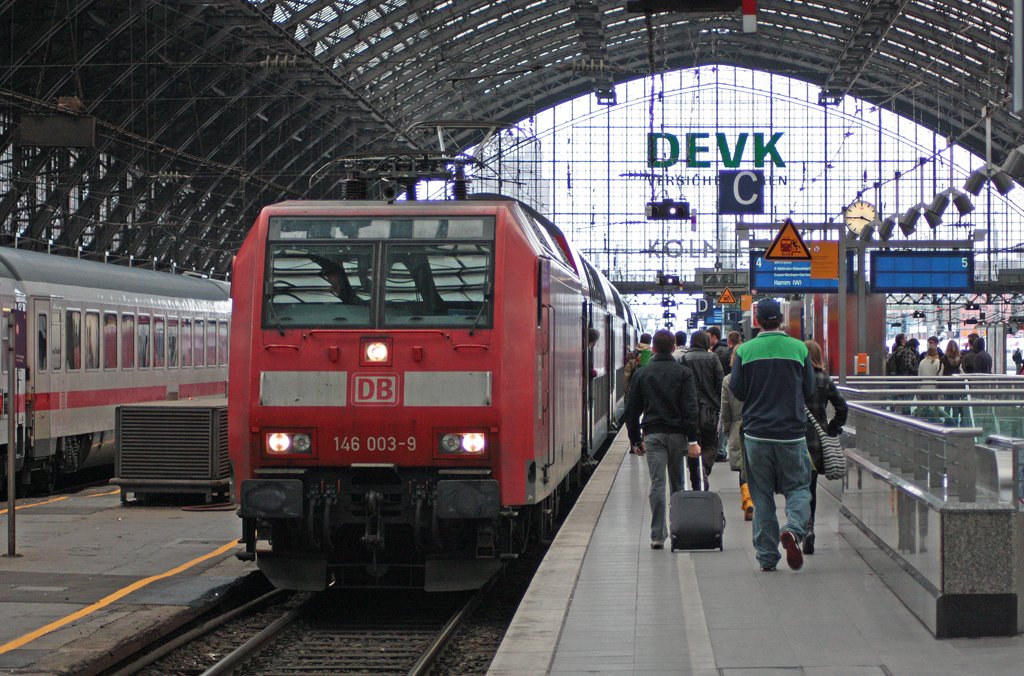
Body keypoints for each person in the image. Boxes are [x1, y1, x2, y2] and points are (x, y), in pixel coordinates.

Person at [729, 298, 815, 572]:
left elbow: (738, 391)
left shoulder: (745, 351)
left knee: (762, 495)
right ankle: (793, 529)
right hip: (791, 433)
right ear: (781, 320)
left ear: (757, 322)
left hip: (756, 435)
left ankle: (767, 557)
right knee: (799, 488)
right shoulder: (799, 348)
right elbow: (810, 389)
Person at [623, 329, 701, 550]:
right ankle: (678, 531)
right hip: (678, 436)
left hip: (654, 436)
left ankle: (658, 535)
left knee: (657, 483)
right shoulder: (684, 373)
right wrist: (693, 440)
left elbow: (631, 411)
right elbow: (690, 408)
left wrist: (636, 440)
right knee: (678, 484)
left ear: (653, 349)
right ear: (675, 347)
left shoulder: (642, 374)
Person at [802, 340, 847, 555]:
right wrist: (832, 428)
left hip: (794, 438)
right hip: (817, 441)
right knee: (811, 486)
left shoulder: (795, 378)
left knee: (796, 486)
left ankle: (801, 525)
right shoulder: (824, 379)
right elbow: (842, 407)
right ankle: (809, 528)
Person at [681, 331, 724, 490]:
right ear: (707, 342)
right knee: (710, 445)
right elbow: (720, 384)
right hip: (710, 411)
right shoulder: (713, 358)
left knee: (692, 447)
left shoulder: (683, 359)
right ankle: (704, 468)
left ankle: (696, 483)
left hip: (689, 412)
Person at [720, 352, 752, 521]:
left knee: (742, 468)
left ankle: (747, 501)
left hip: (737, 425)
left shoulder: (728, 380)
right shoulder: (757, 376)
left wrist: (726, 430)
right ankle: (757, 500)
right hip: (757, 424)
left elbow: (725, 409)